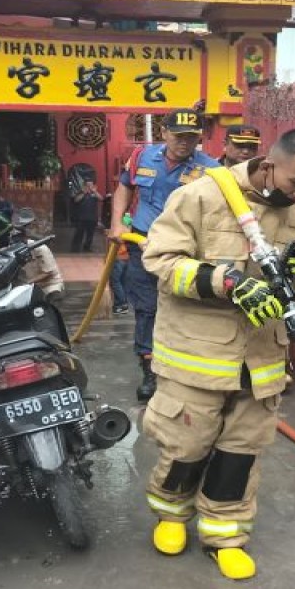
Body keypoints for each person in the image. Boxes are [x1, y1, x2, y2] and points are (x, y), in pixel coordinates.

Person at [139, 128, 295, 580]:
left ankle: (225, 535)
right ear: (268, 165)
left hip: (260, 360)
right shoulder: (201, 197)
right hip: (196, 356)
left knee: (239, 454)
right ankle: (170, 515)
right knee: (187, 445)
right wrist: (225, 282)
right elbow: (160, 261)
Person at [108, 107, 220, 402]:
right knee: (147, 308)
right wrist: (117, 223)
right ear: (164, 133)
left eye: (191, 138)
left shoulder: (212, 169)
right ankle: (150, 370)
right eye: (179, 136)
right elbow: (124, 188)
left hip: (184, 249)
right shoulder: (142, 157)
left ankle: (183, 365)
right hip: (142, 242)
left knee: (184, 304)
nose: (184, 143)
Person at [11, 208, 65, 306]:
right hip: (34, 288)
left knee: (52, 305)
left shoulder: (40, 248)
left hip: (51, 286)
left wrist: (27, 282)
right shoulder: (13, 251)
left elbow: (48, 273)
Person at [71, 179, 102, 252]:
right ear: (84, 186)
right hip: (81, 218)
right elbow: (76, 200)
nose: (89, 187)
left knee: (90, 234)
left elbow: (101, 198)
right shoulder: (81, 193)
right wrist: (84, 193)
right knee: (79, 233)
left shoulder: (94, 194)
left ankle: (87, 247)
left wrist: (95, 191)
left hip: (92, 218)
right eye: (88, 185)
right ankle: (75, 248)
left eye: (91, 185)